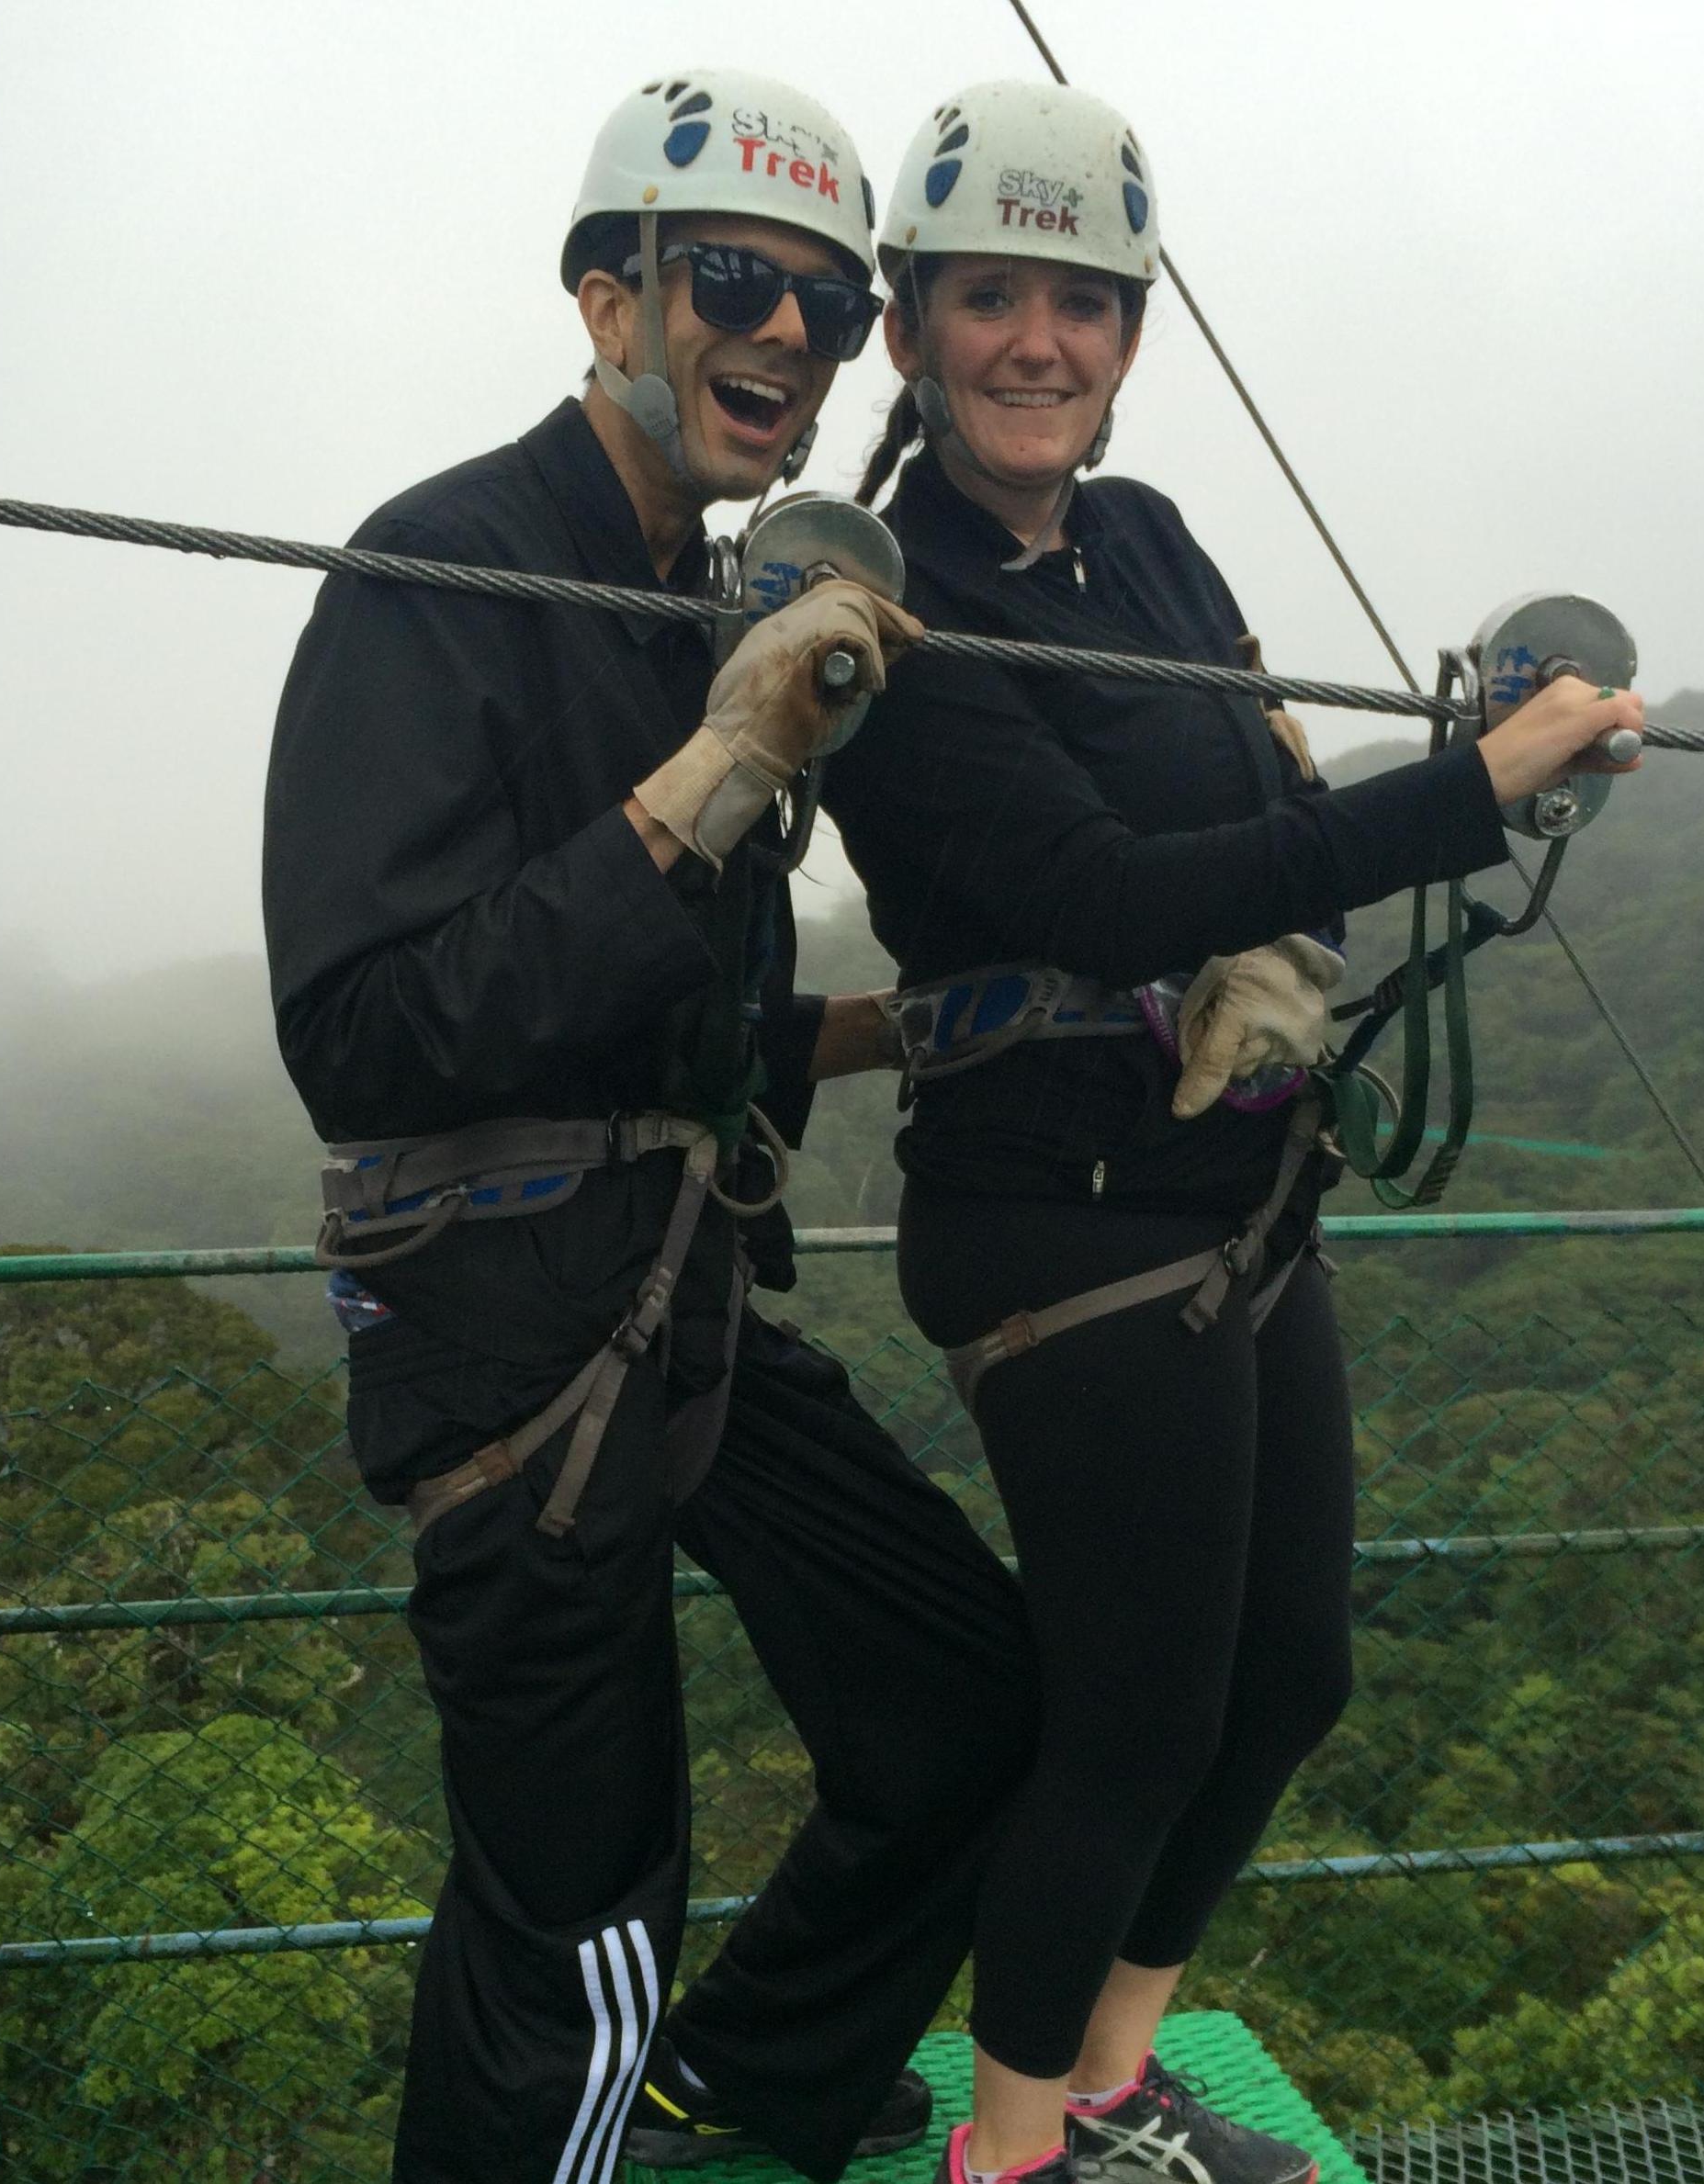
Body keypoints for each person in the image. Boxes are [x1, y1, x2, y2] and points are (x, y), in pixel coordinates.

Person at [823, 80, 1647, 2184]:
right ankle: (1006, 2155)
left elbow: (1259, 809)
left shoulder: (1151, 536)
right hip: (1058, 1212)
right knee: (1135, 1721)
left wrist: (1346, 837)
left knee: (1285, 1682)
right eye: (989, 298)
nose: (1039, 343)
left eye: (1077, 305)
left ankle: (1108, 2079)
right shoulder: (885, 606)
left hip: (1230, 1178)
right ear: (910, 329)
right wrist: (1462, 789)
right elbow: (1100, 891)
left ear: (1123, 337)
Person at [263, 71, 1037, 2184]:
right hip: (509, 1329)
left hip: (674, 1289)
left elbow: (681, 1035)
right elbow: (363, 1028)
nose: (783, 335)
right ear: (608, 295)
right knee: (581, 1923)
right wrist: (714, 776)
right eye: (731, 284)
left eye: (825, 300)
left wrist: (955, 1022)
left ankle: (760, 2072)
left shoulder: (700, 598)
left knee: (968, 1699)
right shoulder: (444, 568)